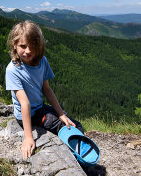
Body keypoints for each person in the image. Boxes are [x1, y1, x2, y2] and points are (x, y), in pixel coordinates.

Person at [5, 20, 83, 159]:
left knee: (74, 124)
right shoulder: (12, 70)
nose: (28, 51)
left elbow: (46, 89)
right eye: (23, 46)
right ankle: (77, 157)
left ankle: (78, 150)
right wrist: (28, 137)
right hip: (29, 115)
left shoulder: (42, 62)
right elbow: (25, 104)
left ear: (39, 46)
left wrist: (61, 114)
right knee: (64, 128)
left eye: (32, 46)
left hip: (40, 108)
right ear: (14, 45)